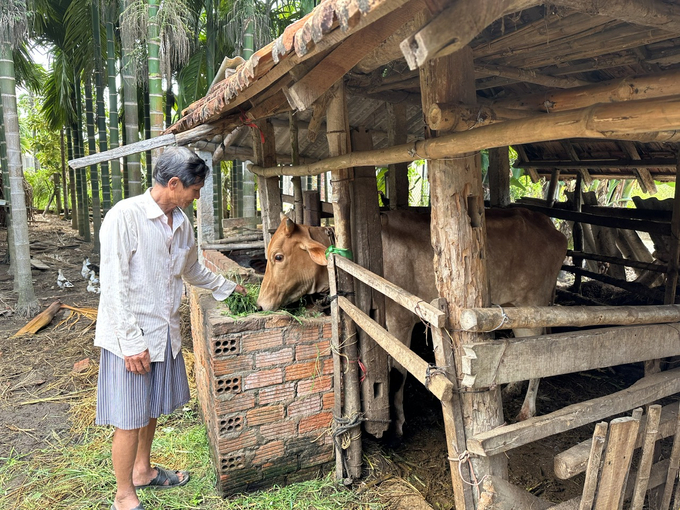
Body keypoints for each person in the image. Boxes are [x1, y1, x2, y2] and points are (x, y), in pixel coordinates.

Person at [94, 146, 246, 510]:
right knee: (130, 418)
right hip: (129, 337)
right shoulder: (125, 217)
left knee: (148, 409)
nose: (196, 197)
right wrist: (130, 343)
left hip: (163, 333)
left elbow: (191, 268)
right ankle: (123, 495)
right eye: (194, 190)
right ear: (174, 183)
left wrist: (228, 288)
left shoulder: (180, 221)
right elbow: (113, 287)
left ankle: (143, 471)